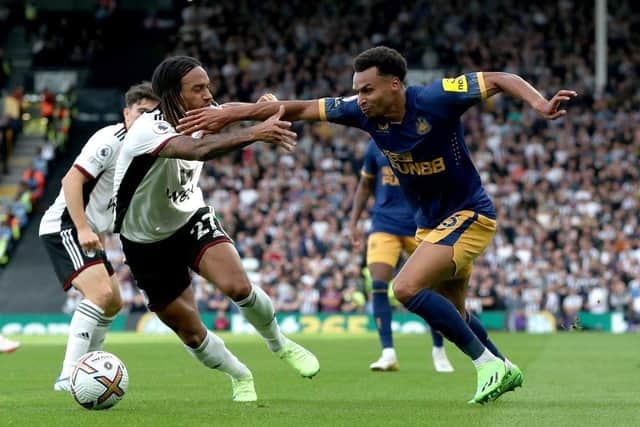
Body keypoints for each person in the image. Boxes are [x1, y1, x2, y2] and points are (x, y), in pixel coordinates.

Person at [177, 46, 577, 404]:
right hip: (430, 225)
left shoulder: (437, 98)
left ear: (395, 85)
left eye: (367, 89)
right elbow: (297, 108)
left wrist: (540, 105)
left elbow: (500, 79)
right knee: (455, 312)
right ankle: (506, 365)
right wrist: (232, 112)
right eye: (357, 89)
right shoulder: (361, 114)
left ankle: (487, 364)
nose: (360, 98)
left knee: (404, 287)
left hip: (470, 214)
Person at [113, 56, 319, 403]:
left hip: (190, 219)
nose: (209, 95)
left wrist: (259, 108)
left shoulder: (203, 112)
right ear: (172, 96)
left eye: (208, 85)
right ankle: (239, 375)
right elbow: (198, 150)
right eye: (198, 89)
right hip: (144, 241)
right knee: (190, 332)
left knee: (238, 286)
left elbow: (230, 110)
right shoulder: (148, 130)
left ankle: (279, 344)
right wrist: (256, 131)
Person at [39, 82, 160, 391]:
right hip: (65, 224)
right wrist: (81, 228)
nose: (146, 119)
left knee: (114, 303)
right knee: (100, 296)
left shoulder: (145, 152)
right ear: (127, 113)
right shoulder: (110, 139)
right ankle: (68, 375)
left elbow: (106, 204)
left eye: (153, 114)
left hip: (92, 231)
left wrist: (101, 239)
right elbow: (71, 180)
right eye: (141, 112)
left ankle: (89, 367)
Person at [350, 139, 453, 373]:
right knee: (377, 284)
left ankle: (438, 348)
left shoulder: (420, 140)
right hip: (383, 224)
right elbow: (365, 185)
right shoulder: (374, 145)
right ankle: (388, 352)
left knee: (432, 287)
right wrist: (353, 222)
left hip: (420, 224)